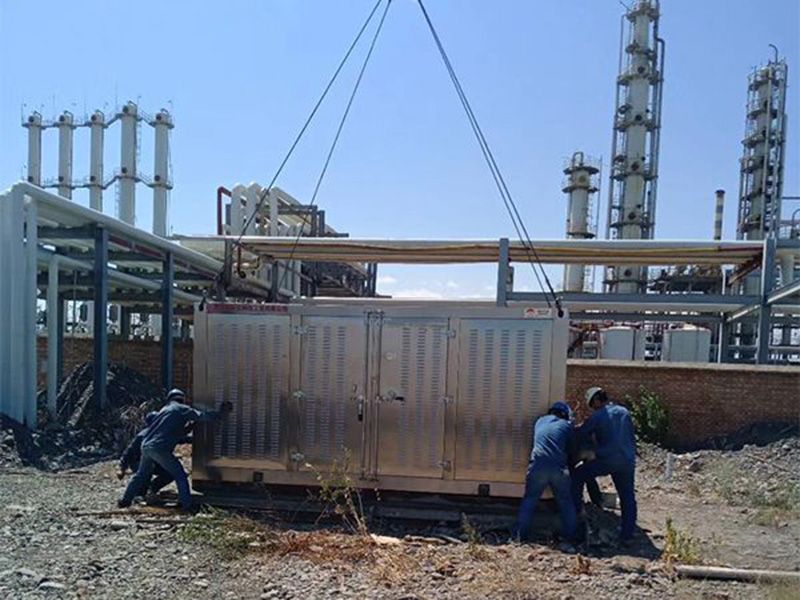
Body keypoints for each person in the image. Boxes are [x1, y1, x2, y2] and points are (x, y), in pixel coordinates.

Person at [118, 389, 232, 510]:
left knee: (140, 475)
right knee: (180, 474)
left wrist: (190, 427)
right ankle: (185, 504)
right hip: (159, 447)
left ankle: (125, 501)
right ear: (182, 399)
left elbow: (174, 432)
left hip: (146, 446)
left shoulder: (164, 410)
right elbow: (202, 416)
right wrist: (220, 413)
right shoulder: (182, 409)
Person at [571, 386, 637, 543]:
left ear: (596, 400)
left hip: (607, 459)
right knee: (627, 496)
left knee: (578, 475)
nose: (592, 408)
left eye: (591, 405)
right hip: (627, 460)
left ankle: (577, 514)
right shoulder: (624, 412)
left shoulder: (598, 416)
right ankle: (627, 535)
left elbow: (581, 433)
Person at [515, 401, 577, 544]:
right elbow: (572, 449)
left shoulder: (539, 422)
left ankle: (519, 536)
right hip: (558, 469)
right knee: (565, 502)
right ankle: (570, 537)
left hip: (537, 466)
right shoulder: (566, 425)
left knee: (530, 500)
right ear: (564, 414)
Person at [117, 411, 186, 501]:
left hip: (156, 461)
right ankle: (139, 494)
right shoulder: (142, 435)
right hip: (138, 462)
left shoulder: (162, 433)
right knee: (146, 471)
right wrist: (122, 468)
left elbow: (178, 439)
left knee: (170, 472)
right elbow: (128, 452)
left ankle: (152, 489)